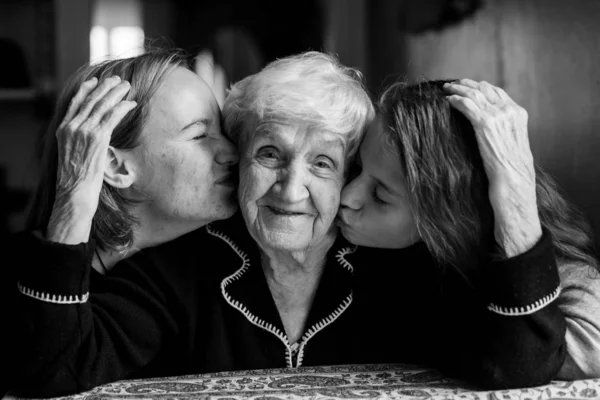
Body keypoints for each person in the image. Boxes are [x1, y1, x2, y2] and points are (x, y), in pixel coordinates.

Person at [10, 52, 566, 397]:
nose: (291, 189)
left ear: (348, 174)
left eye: (322, 163)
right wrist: (74, 195)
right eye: (270, 154)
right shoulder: (182, 262)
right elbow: (52, 368)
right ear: (241, 155)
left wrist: (513, 193)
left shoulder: (396, 261)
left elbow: (518, 361)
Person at [3, 48, 238, 395]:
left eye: (222, 130)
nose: (231, 151)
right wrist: (76, 194)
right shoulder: (16, 273)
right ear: (115, 167)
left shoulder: (211, 264)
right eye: (200, 135)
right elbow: (52, 374)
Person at [338, 78, 600, 381]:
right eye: (356, 168)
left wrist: (514, 186)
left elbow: (516, 365)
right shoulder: (381, 251)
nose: (348, 197)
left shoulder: (576, 289)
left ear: (447, 218)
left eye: (380, 195)